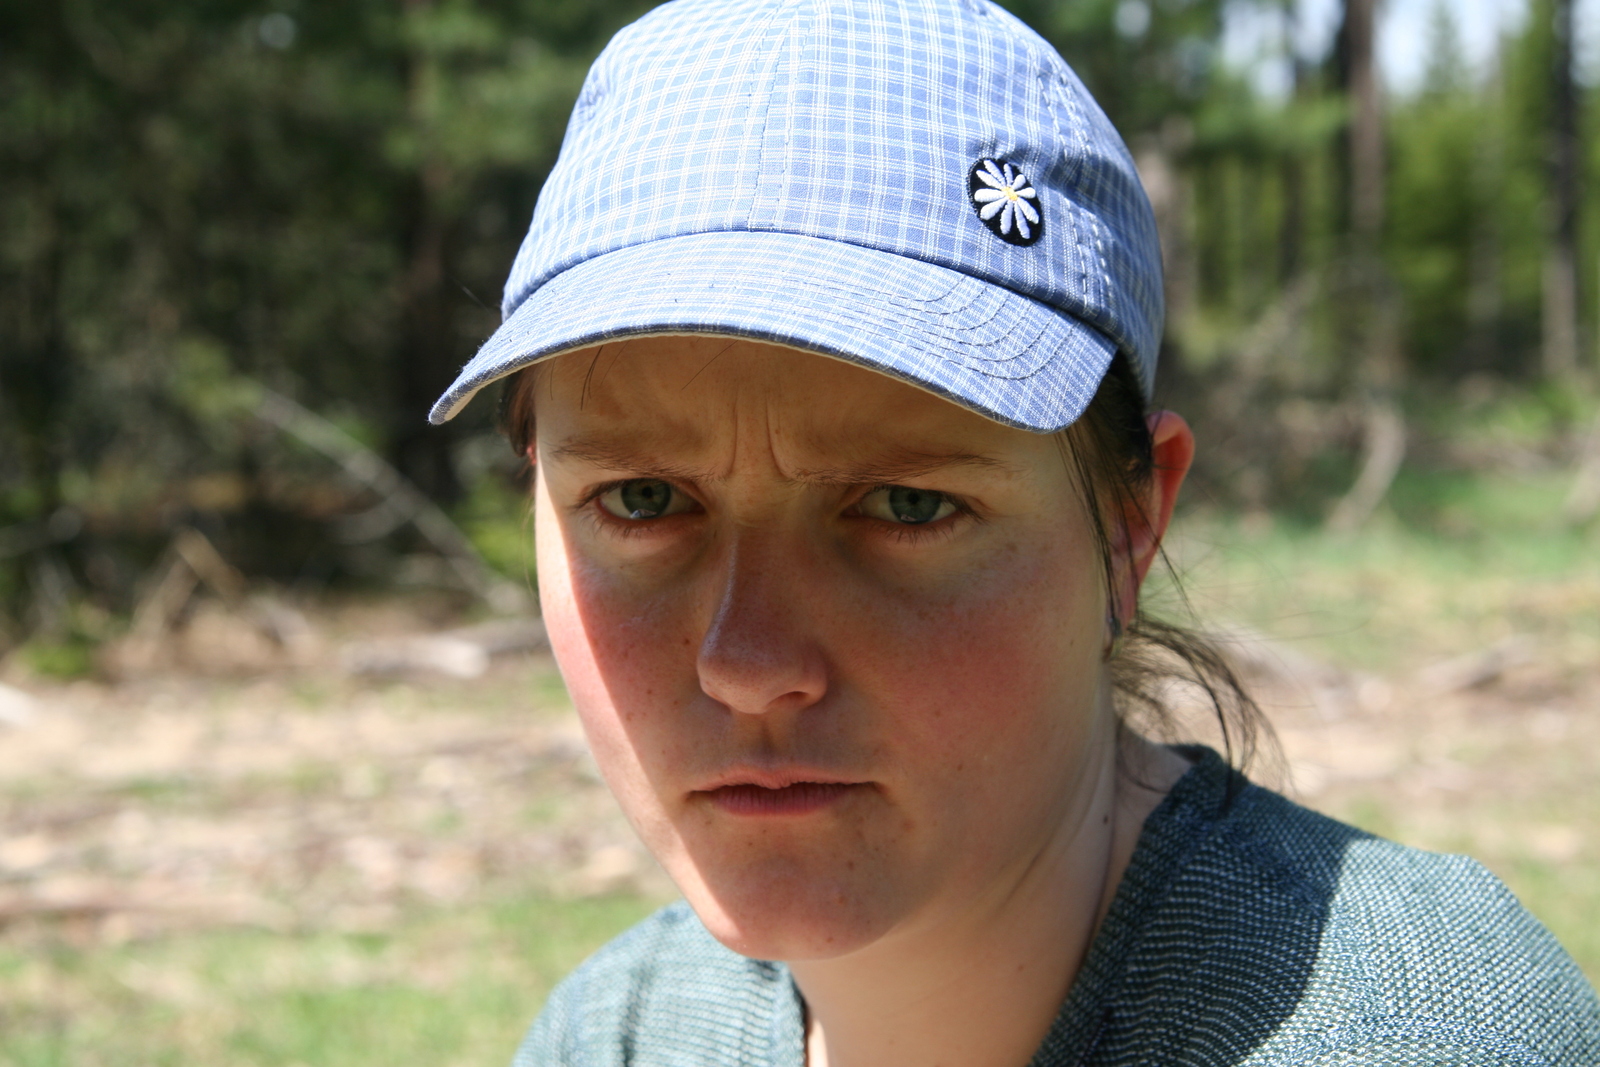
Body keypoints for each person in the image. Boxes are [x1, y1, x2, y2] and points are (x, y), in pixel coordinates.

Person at [427, 0, 1600, 1063]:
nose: (749, 661)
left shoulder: (1411, 1037)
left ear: (1129, 524)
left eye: (907, 503)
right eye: (641, 499)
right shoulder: (619, 1030)